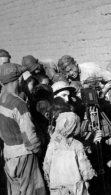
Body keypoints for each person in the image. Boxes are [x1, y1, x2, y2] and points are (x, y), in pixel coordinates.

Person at [0, 63, 46, 195]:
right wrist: (38, 150)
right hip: (25, 156)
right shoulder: (19, 104)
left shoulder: (1, 100)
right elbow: (29, 137)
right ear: (19, 79)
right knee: (33, 191)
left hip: (9, 155)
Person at [43, 112, 96, 195]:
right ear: (74, 128)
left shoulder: (54, 143)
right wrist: (87, 177)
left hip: (57, 187)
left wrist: (49, 180)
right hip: (75, 187)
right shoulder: (77, 145)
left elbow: (46, 164)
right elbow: (84, 168)